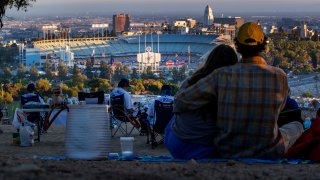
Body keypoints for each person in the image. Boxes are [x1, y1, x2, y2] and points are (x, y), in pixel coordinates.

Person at [173, 22, 304, 158]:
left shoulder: (221, 74)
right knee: (297, 126)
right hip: (269, 149)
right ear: (263, 45)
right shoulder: (279, 76)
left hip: (228, 150)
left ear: (238, 46)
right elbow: (278, 110)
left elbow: (181, 101)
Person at [165, 44, 238, 159]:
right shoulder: (232, 86)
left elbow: (177, 106)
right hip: (206, 149)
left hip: (175, 143)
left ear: (209, 61)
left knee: (176, 117)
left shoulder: (191, 81)